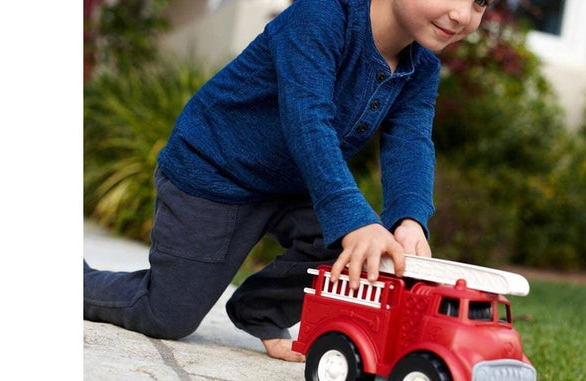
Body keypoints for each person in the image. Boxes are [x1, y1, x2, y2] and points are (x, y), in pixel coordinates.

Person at [84, 0, 489, 362]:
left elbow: (411, 142)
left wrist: (409, 219)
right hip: (217, 172)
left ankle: (261, 311)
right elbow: (307, 120)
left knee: (368, 250)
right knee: (167, 315)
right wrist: (353, 220)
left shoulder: (422, 68)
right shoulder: (321, 16)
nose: (463, 15)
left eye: (481, 2)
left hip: (295, 186)